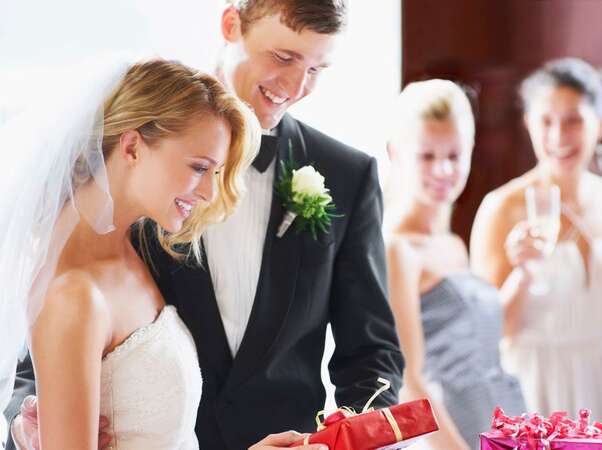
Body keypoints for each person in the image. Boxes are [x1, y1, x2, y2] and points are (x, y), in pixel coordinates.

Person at [7, 1, 405, 449]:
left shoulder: (348, 175)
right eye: (284, 57)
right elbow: (45, 348)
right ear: (231, 24)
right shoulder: (141, 171)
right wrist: (35, 426)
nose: (296, 85)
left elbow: (371, 351)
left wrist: (356, 437)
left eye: (317, 69)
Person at [470, 58, 602, 427]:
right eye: (546, 121)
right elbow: (486, 335)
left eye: (574, 120)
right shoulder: (503, 208)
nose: (559, 136)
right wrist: (523, 274)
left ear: (600, 123)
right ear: (529, 124)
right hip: (536, 385)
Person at [384, 80, 525, 450]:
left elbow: (481, 343)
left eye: (454, 155)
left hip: (501, 423)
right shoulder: (399, 250)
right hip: (448, 437)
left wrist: (527, 272)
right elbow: (409, 381)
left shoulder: (452, 243)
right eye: (427, 156)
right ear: (396, 153)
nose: (443, 170)